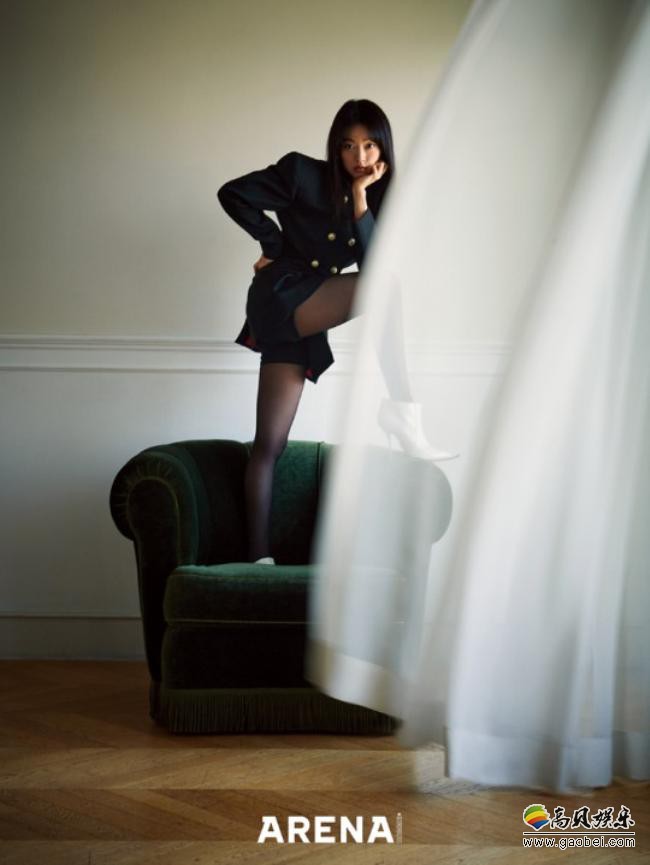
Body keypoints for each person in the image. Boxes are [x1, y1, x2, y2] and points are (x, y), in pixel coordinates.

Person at [218, 99, 455, 565]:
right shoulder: (301, 174)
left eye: (369, 146)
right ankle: (403, 412)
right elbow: (233, 194)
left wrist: (361, 198)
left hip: (305, 314)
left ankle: (258, 559)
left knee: (269, 444)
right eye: (348, 146)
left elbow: (373, 263)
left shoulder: (381, 199)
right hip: (281, 295)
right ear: (335, 147)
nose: (359, 157)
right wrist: (272, 244)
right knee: (385, 287)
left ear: (384, 148)